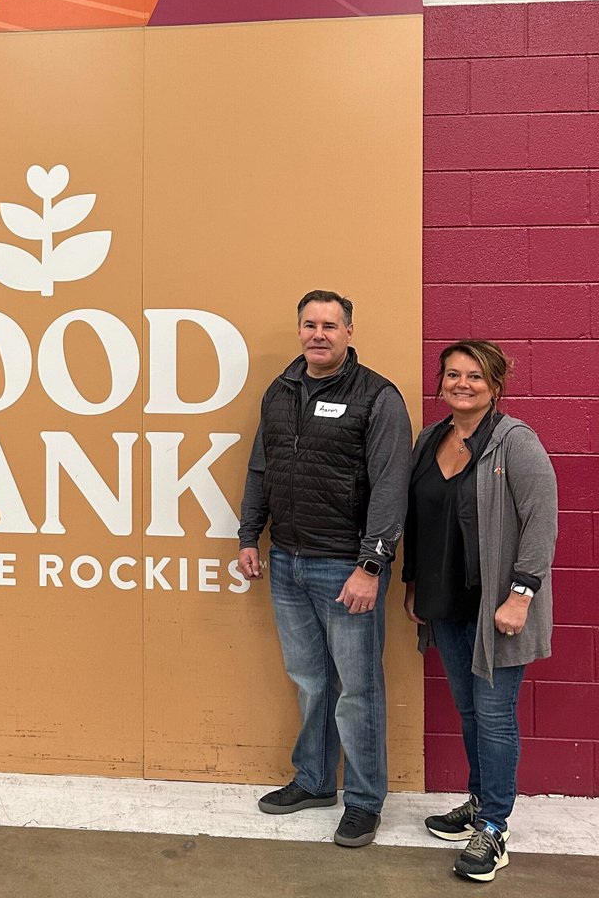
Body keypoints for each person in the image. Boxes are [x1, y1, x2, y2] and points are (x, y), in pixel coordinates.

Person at [237, 290, 412, 848]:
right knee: (311, 681)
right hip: (286, 561)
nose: (319, 334)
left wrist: (371, 565)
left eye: (330, 325)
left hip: (346, 567)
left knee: (357, 690)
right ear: (299, 332)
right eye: (310, 324)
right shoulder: (281, 390)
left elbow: (390, 488)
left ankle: (363, 801)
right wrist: (250, 536)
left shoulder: (378, 397)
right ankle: (314, 781)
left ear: (350, 332)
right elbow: (262, 467)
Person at [404, 340, 557, 883]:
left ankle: (494, 826)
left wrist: (521, 595)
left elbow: (542, 521)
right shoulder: (430, 439)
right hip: (445, 603)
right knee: (469, 712)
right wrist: (415, 585)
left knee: (494, 717)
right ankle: (477, 799)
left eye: (474, 376)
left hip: (498, 610)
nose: (461, 384)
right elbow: (419, 519)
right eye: (452, 375)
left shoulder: (516, 442)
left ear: (495, 386)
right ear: (441, 383)